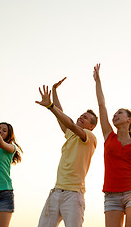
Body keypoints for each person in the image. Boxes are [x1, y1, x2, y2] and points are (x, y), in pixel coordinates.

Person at [93, 63, 131, 227]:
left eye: (120, 113)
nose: (115, 115)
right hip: (111, 194)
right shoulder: (108, 136)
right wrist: (97, 81)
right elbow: (101, 105)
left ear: (129, 119)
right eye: (115, 114)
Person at [36, 79, 98, 227]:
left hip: (73, 195)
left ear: (92, 126)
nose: (81, 117)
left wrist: (50, 106)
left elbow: (69, 122)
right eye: (81, 115)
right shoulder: (70, 134)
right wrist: (54, 90)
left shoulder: (89, 136)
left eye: (85, 118)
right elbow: (61, 114)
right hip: (56, 192)